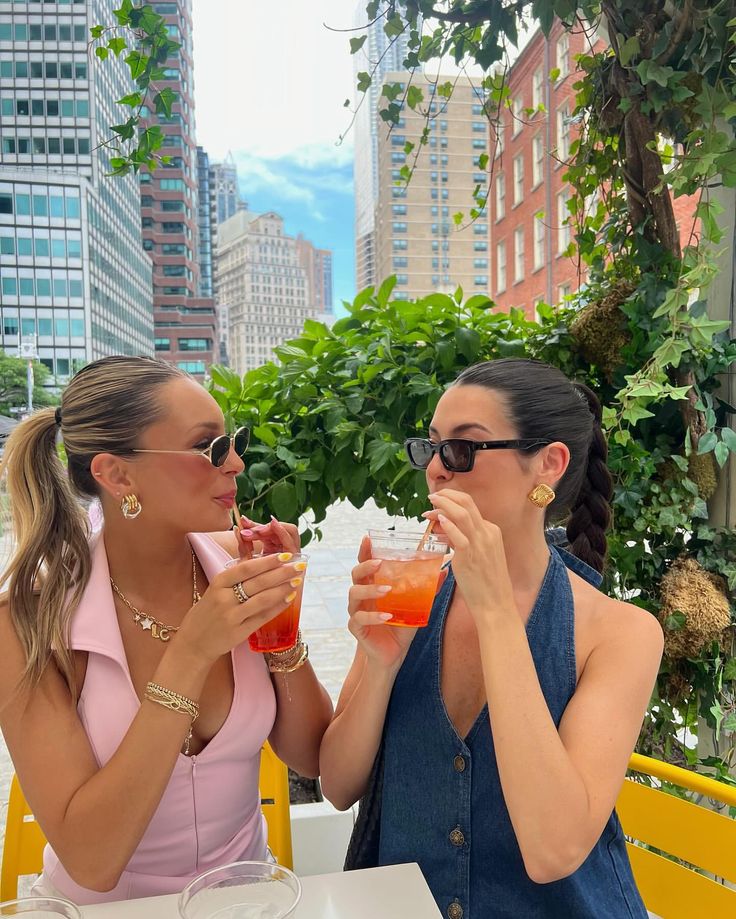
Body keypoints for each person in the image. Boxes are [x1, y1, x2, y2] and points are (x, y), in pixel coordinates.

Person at [320, 358, 663, 919]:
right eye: (429, 447)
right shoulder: (408, 593)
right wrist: (379, 666)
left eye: (463, 449)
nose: (435, 470)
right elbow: (336, 786)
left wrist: (497, 612)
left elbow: (554, 852)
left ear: (548, 466)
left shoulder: (620, 632)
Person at [0, 356, 333, 905]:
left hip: (248, 902)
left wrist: (281, 625)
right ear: (116, 474)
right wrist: (191, 652)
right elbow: (92, 859)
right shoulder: (30, 620)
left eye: (234, 441)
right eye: (209, 448)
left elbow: (310, 755)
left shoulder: (236, 570)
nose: (236, 464)